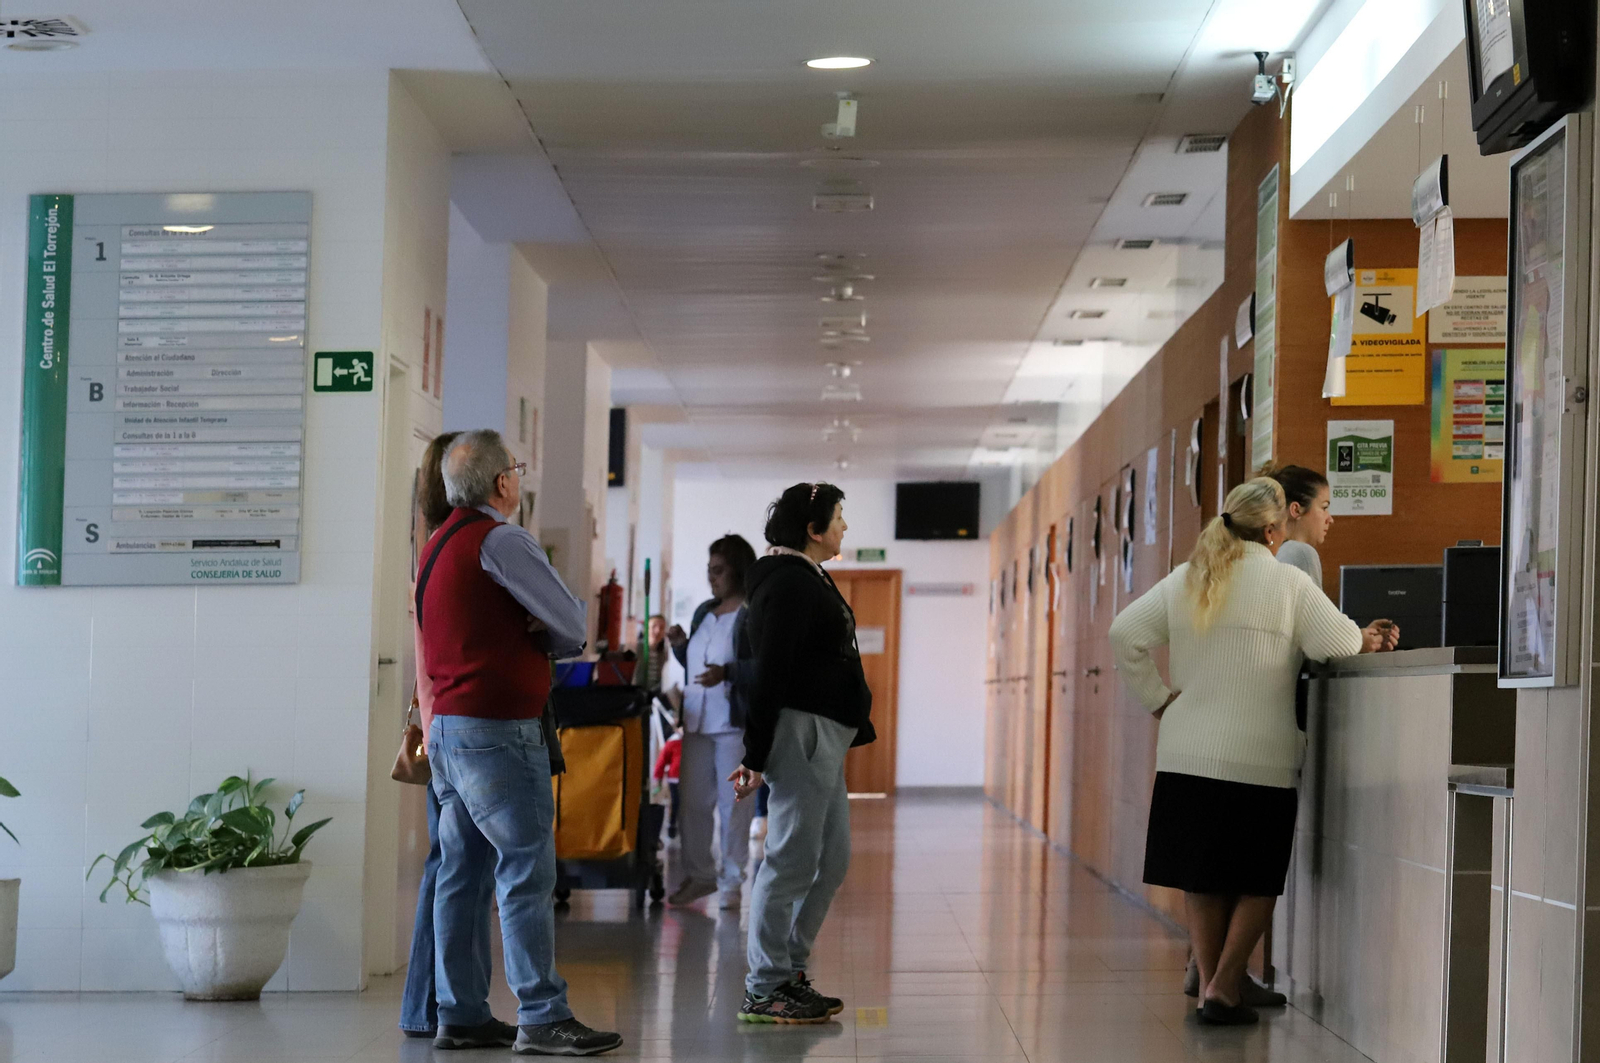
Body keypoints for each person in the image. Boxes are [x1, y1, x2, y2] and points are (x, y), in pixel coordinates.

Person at [1109, 478, 1397, 1026]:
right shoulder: (1287, 581)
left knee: (1205, 874)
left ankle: (1215, 986)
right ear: (1272, 530)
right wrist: (1365, 636)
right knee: (1257, 876)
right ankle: (1222, 986)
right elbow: (1333, 643)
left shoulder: (1187, 580)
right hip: (1258, 759)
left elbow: (1124, 633)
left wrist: (1158, 701)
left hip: (1186, 753)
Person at [418, 429, 622, 1056]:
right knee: (526, 870)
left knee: (463, 872)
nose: (519, 479)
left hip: (448, 732)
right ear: (503, 483)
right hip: (499, 734)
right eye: (517, 470)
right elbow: (570, 622)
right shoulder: (501, 539)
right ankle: (541, 1014)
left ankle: (460, 1011)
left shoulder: (435, 545)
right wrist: (539, 631)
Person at [728, 483, 873, 1024]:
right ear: (812, 530)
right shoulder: (787, 582)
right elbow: (772, 673)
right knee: (789, 860)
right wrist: (757, 754)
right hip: (802, 734)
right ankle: (765, 984)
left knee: (831, 859)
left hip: (823, 734)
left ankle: (786, 967)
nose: (843, 527)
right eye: (838, 517)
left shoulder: (805, 576)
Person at [400, 431, 496, 1041]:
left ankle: (427, 1005)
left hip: (439, 726)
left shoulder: (430, 551)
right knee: (456, 870)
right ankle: (435, 1006)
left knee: (448, 867)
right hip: (453, 732)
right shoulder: (452, 552)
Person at [665, 534, 759, 909]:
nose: (712, 578)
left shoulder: (751, 614)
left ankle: (733, 882)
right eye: (709, 570)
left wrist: (729, 672)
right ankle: (700, 876)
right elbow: (695, 663)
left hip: (732, 723)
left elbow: (763, 667)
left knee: (733, 804)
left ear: (737, 571)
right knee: (691, 802)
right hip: (697, 720)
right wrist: (679, 645)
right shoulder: (705, 611)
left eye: (718, 571)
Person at [1262, 464, 1333, 590]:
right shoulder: (1300, 553)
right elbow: (1316, 610)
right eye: (1324, 508)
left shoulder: (1267, 553)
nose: (1330, 519)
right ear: (1296, 510)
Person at [638, 614, 670, 694]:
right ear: (645, 629)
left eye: (662, 628)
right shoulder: (637, 649)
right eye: (654, 626)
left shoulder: (664, 653)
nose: (658, 631)